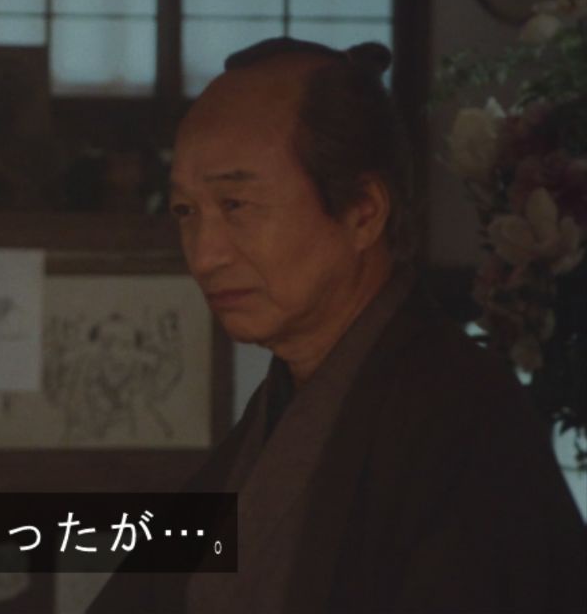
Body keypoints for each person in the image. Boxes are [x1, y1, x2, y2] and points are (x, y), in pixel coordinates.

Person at [89, 38, 586, 613]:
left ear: (362, 212)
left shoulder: (464, 420)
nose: (204, 255)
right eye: (185, 212)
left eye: (236, 205)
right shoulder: (280, 409)